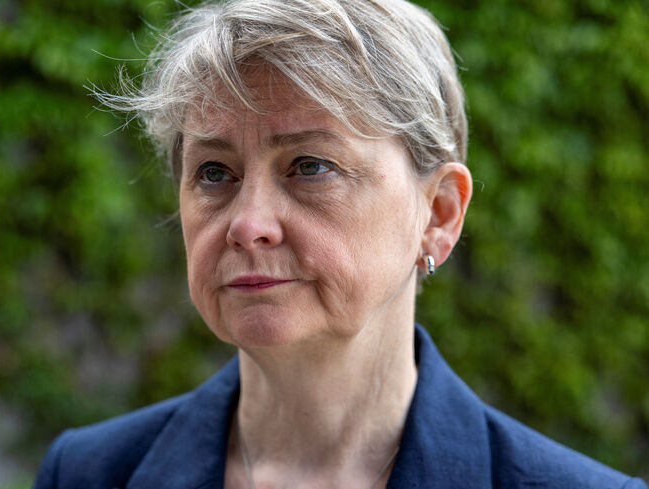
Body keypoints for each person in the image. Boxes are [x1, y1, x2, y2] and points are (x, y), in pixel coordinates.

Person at [33, 0, 648, 487]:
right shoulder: (89, 474)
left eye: (310, 166)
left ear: (438, 213)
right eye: (215, 173)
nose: (248, 225)